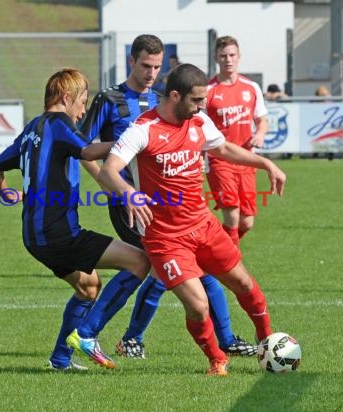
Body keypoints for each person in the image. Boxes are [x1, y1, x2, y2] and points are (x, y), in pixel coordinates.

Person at [96, 63, 286, 375]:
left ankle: (266, 340)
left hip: (203, 225)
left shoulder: (198, 121)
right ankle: (217, 360)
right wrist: (129, 193)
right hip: (165, 238)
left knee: (243, 282)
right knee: (198, 305)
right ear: (174, 95)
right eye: (196, 100)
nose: (201, 107)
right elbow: (108, 170)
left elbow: (223, 147)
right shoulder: (142, 129)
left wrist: (265, 163)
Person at [80, 34, 256, 361]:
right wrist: (117, 174)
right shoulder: (110, 98)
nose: (150, 72)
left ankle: (117, 336)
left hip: (173, 204)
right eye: (145, 65)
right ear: (131, 61)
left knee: (163, 269)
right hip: (133, 204)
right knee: (169, 268)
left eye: (157, 66)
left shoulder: (166, 99)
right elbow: (85, 150)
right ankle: (115, 336)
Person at [0, 68, 150, 371]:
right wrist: (132, 143)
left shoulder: (32, 128)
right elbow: (87, 149)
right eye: (82, 102)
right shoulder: (58, 122)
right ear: (66, 98)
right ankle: (88, 335)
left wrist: (6, 191)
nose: (83, 111)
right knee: (141, 261)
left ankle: (60, 359)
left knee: (88, 287)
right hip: (60, 234)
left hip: (34, 238)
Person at [205, 36, 268, 248]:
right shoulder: (208, 91)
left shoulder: (251, 87)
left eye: (232, 55)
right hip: (220, 159)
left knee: (247, 222)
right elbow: (197, 124)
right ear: (216, 58)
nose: (228, 60)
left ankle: (215, 253)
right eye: (223, 56)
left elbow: (262, 120)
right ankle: (232, 265)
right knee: (231, 215)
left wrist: (259, 134)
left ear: (239, 57)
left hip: (247, 159)